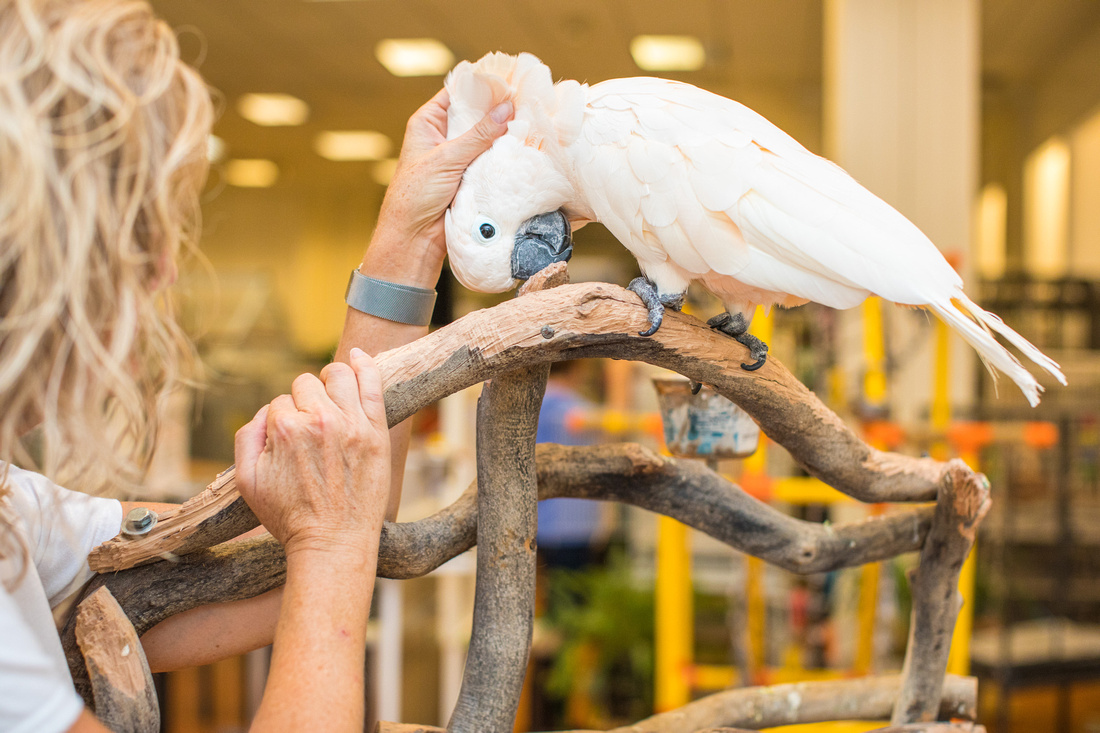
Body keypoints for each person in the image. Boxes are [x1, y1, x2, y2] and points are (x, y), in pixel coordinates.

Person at [0, 1, 513, 731]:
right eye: (135, 235)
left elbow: (257, 577)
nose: (163, 272)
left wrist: (409, 238)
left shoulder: (14, 507)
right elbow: (325, 551)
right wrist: (332, 543)